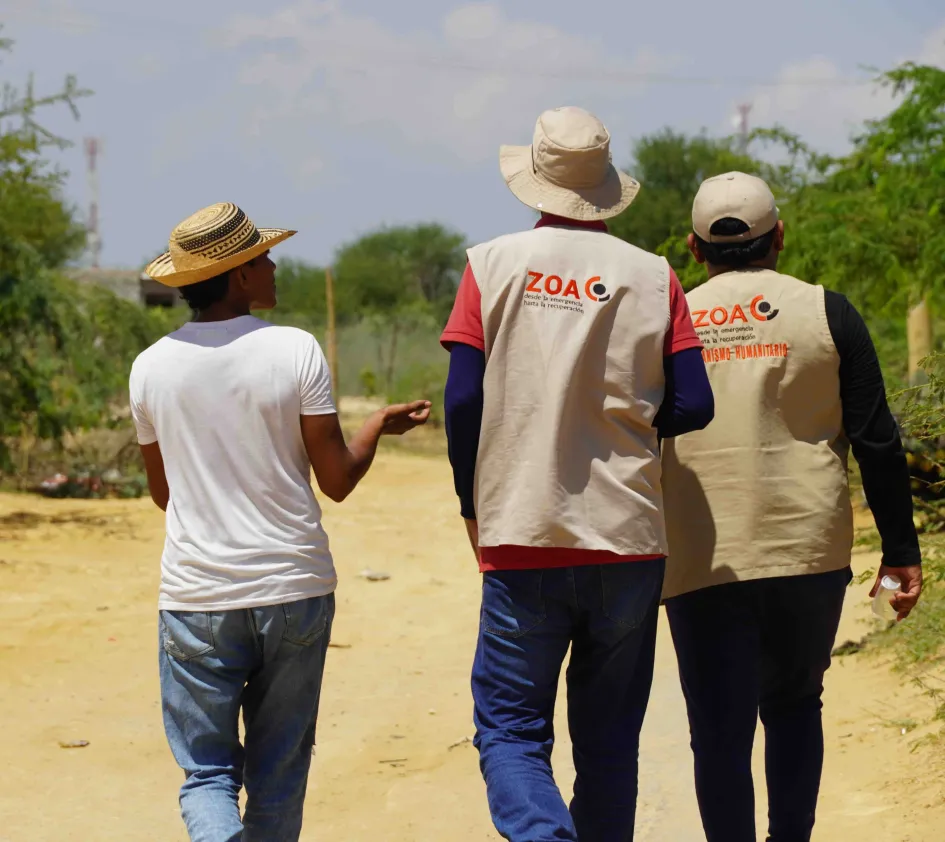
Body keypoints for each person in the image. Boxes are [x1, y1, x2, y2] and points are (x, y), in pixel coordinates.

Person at [441, 106, 714, 842]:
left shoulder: (487, 266)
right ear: (603, 187)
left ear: (532, 181)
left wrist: (471, 499)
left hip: (521, 530)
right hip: (627, 538)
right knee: (607, 741)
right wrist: (624, 419)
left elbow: (463, 396)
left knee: (509, 730)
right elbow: (694, 402)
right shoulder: (654, 277)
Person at [131, 202, 430, 842]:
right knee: (278, 773)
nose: (273, 265)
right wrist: (376, 426)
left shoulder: (149, 367)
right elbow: (338, 481)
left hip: (197, 598)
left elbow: (164, 494)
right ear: (238, 275)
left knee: (208, 774)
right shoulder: (294, 350)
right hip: (294, 590)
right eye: (262, 258)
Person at [661, 172, 923, 842]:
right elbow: (876, 440)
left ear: (693, 249)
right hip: (805, 551)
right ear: (778, 237)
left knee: (717, 731)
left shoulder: (669, 320)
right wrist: (899, 555)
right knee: (794, 705)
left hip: (700, 554)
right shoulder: (826, 313)